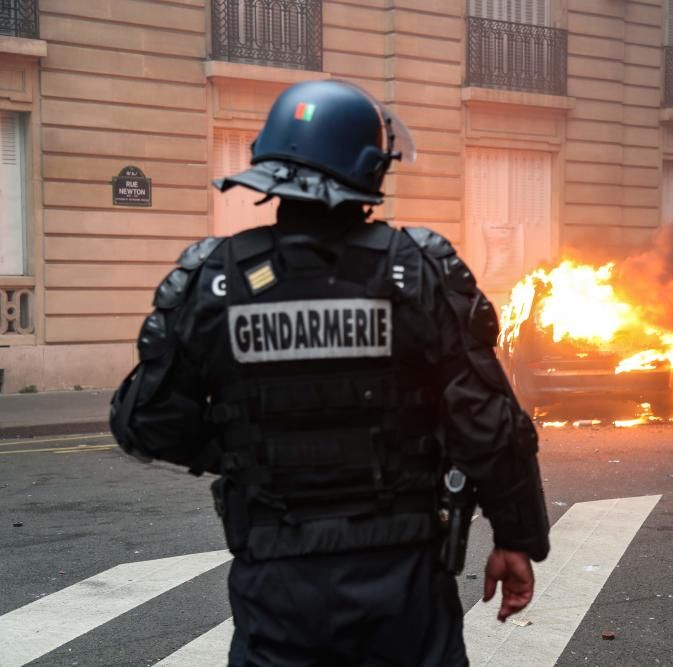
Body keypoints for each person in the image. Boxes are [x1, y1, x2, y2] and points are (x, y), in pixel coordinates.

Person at [109, 79, 550, 666]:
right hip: (405, 581)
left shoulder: (214, 280)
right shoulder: (417, 270)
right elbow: (491, 424)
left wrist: (248, 449)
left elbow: (146, 421)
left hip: (277, 578)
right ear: (369, 169)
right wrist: (517, 538)